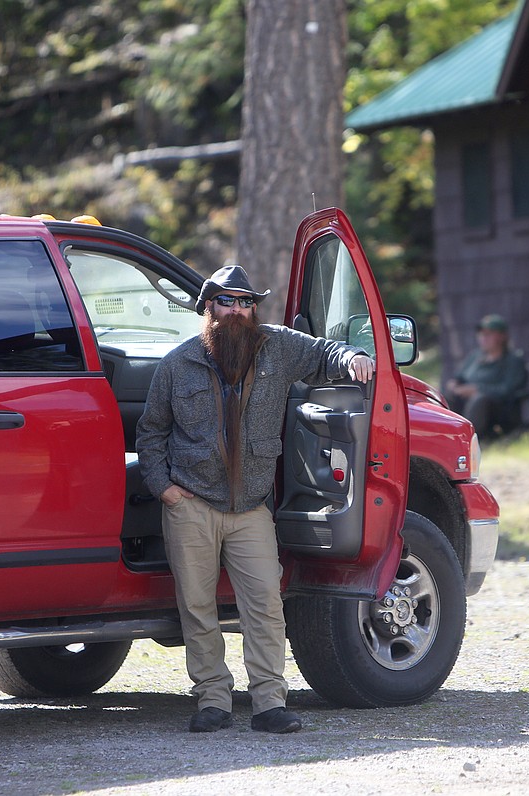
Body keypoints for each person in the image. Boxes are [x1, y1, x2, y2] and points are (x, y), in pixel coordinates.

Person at [135, 264, 375, 734]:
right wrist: (165, 489)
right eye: (229, 301)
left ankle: (269, 703)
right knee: (198, 606)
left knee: (265, 603)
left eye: (247, 302)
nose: (239, 311)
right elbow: (151, 432)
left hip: (251, 508)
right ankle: (212, 701)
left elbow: (326, 351)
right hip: (191, 505)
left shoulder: (279, 347)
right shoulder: (178, 363)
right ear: (209, 306)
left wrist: (353, 356)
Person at [444, 314, 529, 439]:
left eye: (489, 334)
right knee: (445, 397)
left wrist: (477, 389)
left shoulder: (513, 360)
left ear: (502, 337)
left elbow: (508, 390)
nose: (484, 338)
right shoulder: (475, 356)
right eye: (481, 334)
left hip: (499, 409)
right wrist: (454, 384)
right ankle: (447, 436)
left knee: (479, 400)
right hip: (466, 401)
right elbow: (460, 376)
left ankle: (468, 438)